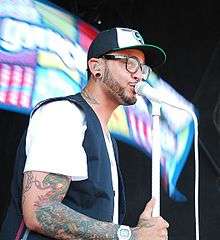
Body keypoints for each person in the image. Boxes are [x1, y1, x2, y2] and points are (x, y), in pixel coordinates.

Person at [0, 27, 169, 240]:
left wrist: (139, 234)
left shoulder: (106, 137)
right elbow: (40, 211)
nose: (138, 74)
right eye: (129, 62)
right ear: (96, 67)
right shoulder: (64, 114)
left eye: (142, 68)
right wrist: (130, 235)